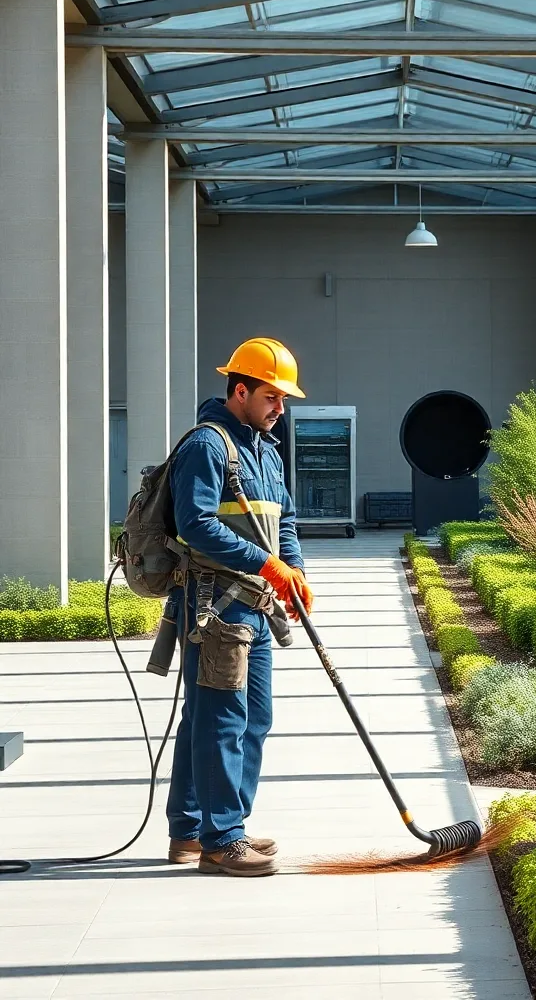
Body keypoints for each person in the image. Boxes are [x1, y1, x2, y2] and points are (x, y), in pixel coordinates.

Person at [165, 337, 314, 877]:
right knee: (222, 718)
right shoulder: (207, 445)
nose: (280, 408)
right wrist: (267, 565)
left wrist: (294, 571)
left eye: (284, 399)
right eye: (272, 396)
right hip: (216, 606)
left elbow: (283, 519)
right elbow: (196, 524)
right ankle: (222, 840)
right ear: (240, 390)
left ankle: (194, 829)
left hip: (256, 602)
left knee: (248, 717)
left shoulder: (266, 450)